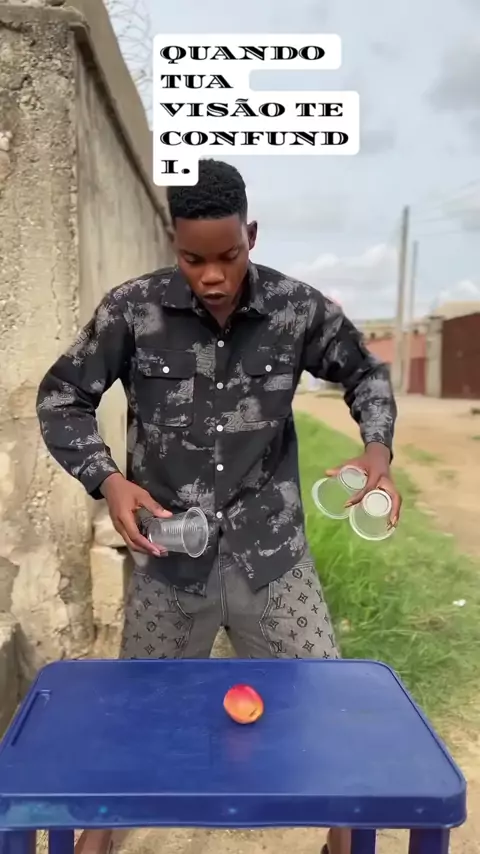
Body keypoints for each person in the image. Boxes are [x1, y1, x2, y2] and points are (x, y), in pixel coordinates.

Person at [36, 158, 401, 854]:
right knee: (137, 726)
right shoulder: (132, 310)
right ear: (173, 243)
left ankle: (345, 843)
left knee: (330, 718)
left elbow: (366, 371)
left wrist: (376, 450)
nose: (211, 276)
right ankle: (98, 842)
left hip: (273, 558)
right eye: (193, 258)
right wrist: (107, 480)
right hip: (169, 560)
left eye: (228, 256)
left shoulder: (296, 309)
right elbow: (62, 397)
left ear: (250, 236)